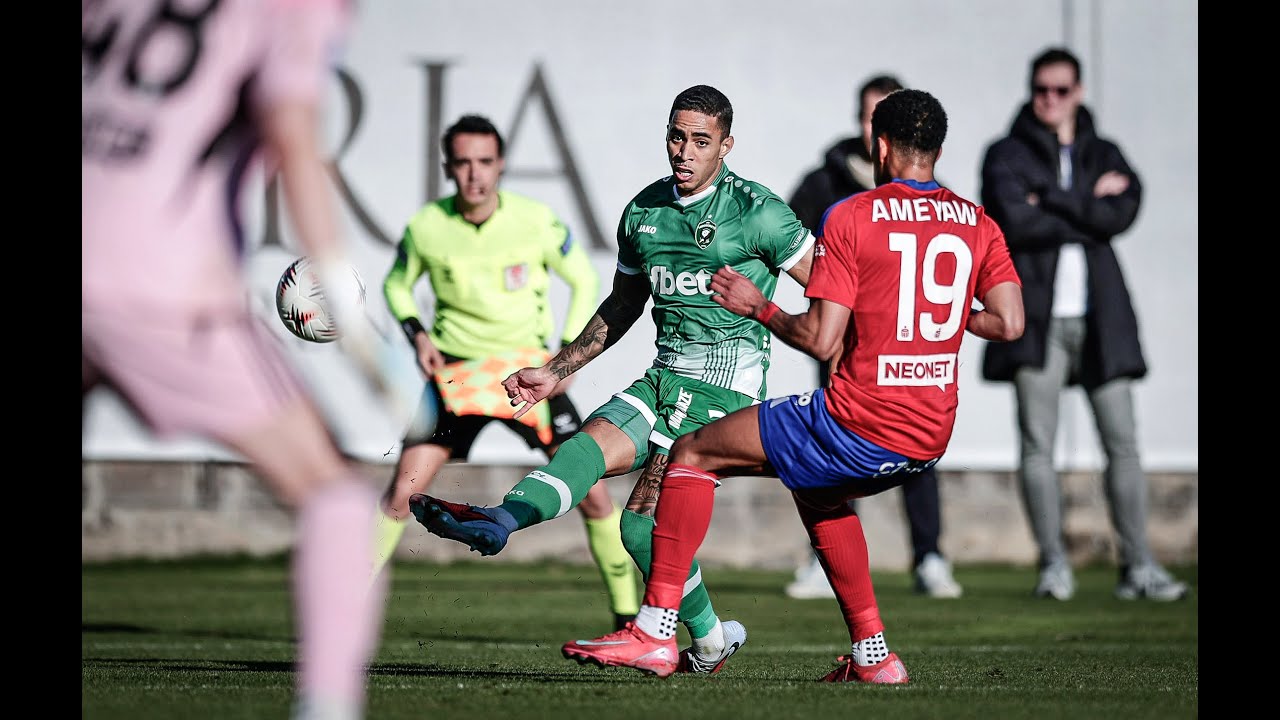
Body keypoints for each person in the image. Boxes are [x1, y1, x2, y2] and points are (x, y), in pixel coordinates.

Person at [557, 88, 1024, 682]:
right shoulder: (977, 223)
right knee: (820, 493)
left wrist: (759, 308)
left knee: (692, 451)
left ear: (879, 145)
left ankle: (655, 630)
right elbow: (1009, 322)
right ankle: (873, 657)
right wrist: (950, 315)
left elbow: (822, 341)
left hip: (859, 422)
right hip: (930, 434)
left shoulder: (853, 216)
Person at [411, 84, 817, 674]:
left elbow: (831, 286)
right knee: (583, 449)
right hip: (663, 376)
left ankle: (696, 638)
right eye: (676, 137)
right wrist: (554, 372)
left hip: (723, 389)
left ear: (725, 146)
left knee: (636, 527)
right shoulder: (645, 212)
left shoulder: (759, 212)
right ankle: (503, 523)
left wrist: (814, 335)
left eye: (700, 141)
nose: (684, 151)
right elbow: (623, 305)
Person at [83, 1, 391, 718]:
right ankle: (328, 706)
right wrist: (345, 308)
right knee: (335, 493)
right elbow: (293, 136)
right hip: (157, 286)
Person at [374, 114, 640, 630]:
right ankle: (340, 619)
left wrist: (565, 357)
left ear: (500, 166)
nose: (475, 174)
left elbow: (584, 280)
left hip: (526, 379)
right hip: (456, 379)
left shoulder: (536, 220)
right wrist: (418, 335)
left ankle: (628, 618)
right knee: (399, 495)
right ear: (449, 167)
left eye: (486, 162)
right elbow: (396, 287)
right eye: (464, 162)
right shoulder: (427, 227)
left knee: (594, 494)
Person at [978, 47, 1187, 602]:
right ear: (1031, 90)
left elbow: (1121, 213)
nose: (1051, 99)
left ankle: (1140, 566)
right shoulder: (1005, 152)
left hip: (1102, 322)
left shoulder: (1105, 150)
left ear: (1079, 92)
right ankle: (1054, 567)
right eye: (1042, 89)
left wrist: (1048, 196)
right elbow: (1012, 219)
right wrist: (1083, 207)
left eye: (1061, 90)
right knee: (1036, 447)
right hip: (1036, 321)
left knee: (1123, 443)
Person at [785, 73, 961, 600]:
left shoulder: (938, 201)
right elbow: (787, 239)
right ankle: (828, 563)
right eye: (868, 113)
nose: (874, 125)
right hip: (842, 340)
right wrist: (831, 294)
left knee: (917, 451)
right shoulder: (828, 184)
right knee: (831, 448)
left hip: (906, 344)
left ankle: (929, 557)